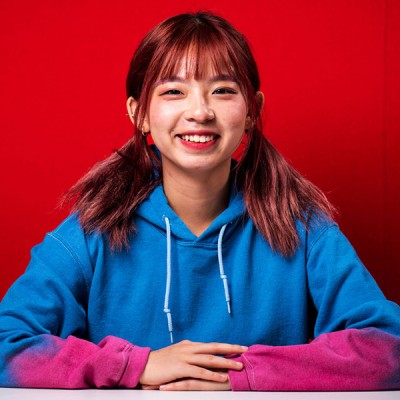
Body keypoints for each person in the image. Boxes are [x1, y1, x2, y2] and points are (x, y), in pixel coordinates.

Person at [0, 12, 399, 391]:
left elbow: (387, 348)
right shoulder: (93, 231)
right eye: (173, 91)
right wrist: (135, 366)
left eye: (223, 91)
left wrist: (242, 375)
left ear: (251, 111)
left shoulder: (304, 228)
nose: (200, 111)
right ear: (139, 114)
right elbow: (7, 342)